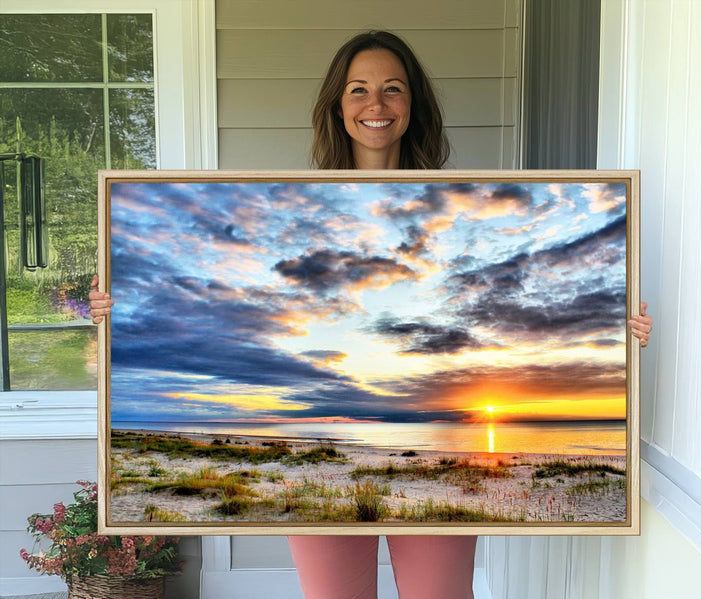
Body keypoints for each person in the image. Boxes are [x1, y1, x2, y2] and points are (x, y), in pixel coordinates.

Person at [90, 30, 653, 599]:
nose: (376, 105)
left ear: (413, 105)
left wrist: (619, 330)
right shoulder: (296, 203)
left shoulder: (463, 201)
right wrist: (116, 307)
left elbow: (507, 312)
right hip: (325, 489)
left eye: (392, 89)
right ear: (338, 105)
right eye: (359, 90)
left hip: (436, 477)